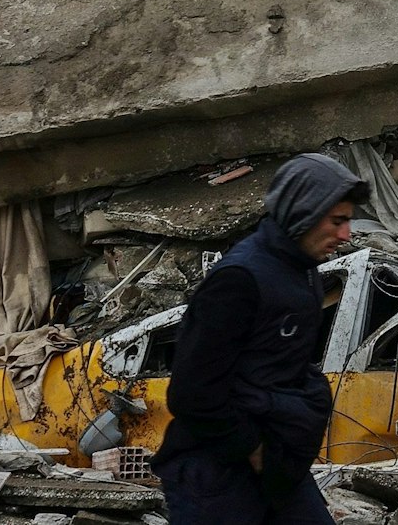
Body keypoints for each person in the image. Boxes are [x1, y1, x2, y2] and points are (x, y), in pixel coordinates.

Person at [152, 154, 369, 525]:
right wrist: (252, 449)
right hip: (216, 476)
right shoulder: (239, 280)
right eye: (337, 221)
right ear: (302, 214)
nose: (346, 234)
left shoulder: (304, 274)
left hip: (276, 468)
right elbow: (192, 393)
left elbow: (282, 368)